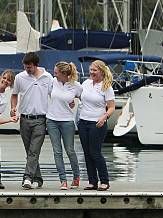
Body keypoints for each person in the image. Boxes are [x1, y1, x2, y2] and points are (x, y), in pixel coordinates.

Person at [10, 52, 53, 189]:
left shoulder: (48, 77)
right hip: (24, 119)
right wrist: (13, 108)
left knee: (34, 151)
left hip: (40, 119)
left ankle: (27, 178)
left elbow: (55, 95)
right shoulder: (20, 77)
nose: (27, 70)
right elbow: (14, 95)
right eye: (25, 67)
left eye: (29, 67)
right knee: (30, 151)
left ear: (36, 65)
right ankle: (38, 178)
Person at [78, 60, 115, 191]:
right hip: (83, 122)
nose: (92, 72)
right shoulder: (86, 83)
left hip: (97, 123)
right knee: (87, 153)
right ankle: (92, 181)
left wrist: (104, 117)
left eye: (94, 70)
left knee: (95, 152)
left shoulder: (106, 87)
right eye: (91, 70)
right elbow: (80, 97)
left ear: (101, 71)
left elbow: (111, 107)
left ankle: (104, 181)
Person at [47, 62, 83, 190]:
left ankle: (76, 176)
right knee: (57, 151)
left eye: (56, 72)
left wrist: (73, 102)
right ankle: (63, 180)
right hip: (51, 120)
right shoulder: (52, 82)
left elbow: (85, 99)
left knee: (70, 150)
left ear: (64, 74)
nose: (54, 74)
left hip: (67, 121)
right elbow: (49, 94)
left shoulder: (75, 86)